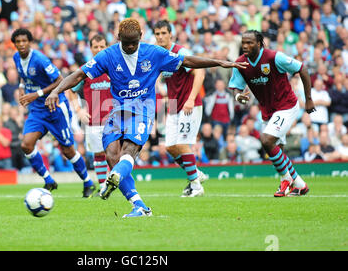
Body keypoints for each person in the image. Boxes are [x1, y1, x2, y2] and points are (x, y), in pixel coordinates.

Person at [46, 18, 247, 217]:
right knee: (111, 155)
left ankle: (116, 175)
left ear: (141, 37)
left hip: (143, 109)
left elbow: (187, 61)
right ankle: (139, 205)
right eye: (126, 43)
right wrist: (56, 91)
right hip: (117, 112)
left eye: (134, 42)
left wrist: (220, 62)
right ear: (118, 39)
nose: (131, 46)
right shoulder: (108, 55)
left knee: (130, 149)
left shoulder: (154, 53)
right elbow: (79, 75)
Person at [229, 30, 315, 197]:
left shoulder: (274, 57)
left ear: (259, 43)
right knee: (276, 151)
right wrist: (239, 96)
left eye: (250, 43)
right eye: (243, 43)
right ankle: (300, 185)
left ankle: (286, 180)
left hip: (286, 106)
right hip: (267, 111)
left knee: (267, 141)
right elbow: (236, 88)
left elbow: (302, 69)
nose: (245, 46)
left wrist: (309, 99)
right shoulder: (240, 63)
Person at [11, 28, 95, 198]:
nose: (21, 44)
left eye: (24, 41)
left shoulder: (40, 60)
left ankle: (88, 182)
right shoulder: (16, 58)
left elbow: (59, 81)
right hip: (37, 111)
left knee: (68, 150)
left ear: (30, 42)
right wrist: (21, 88)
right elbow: (23, 76)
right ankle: (49, 180)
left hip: (55, 108)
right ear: (14, 44)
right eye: (18, 41)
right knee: (26, 144)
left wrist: (37, 94)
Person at [153, 20, 207, 197]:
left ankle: (196, 186)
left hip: (189, 105)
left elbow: (200, 71)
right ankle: (196, 173)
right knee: (170, 147)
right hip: (175, 107)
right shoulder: (160, 54)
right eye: (157, 33)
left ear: (171, 34)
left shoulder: (181, 52)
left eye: (163, 33)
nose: (160, 36)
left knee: (183, 144)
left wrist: (191, 99)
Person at [69, 34, 113, 193]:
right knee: (99, 154)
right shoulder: (86, 70)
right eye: (96, 47)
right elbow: (71, 91)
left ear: (107, 47)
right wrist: (79, 110)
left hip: (114, 119)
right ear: (91, 48)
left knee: (115, 153)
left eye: (102, 46)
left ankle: (118, 183)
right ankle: (103, 186)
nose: (99, 49)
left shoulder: (114, 67)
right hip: (94, 121)